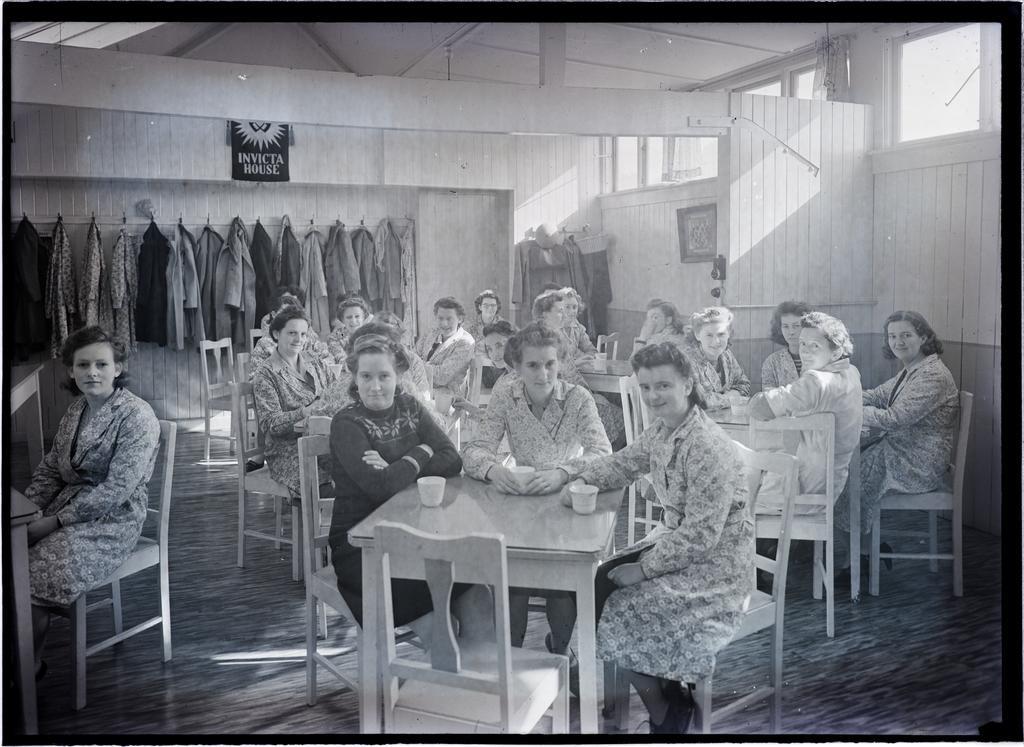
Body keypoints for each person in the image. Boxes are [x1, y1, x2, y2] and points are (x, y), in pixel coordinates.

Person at [563, 343, 753, 734]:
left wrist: (644, 569)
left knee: (619, 599)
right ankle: (669, 691)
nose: (653, 396)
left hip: (716, 566)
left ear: (688, 383)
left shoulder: (706, 445)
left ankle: (666, 709)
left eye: (663, 385)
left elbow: (701, 535)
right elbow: (623, 463)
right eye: (646, 387)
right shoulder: (665, 430)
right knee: (600, 580)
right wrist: (573, 475)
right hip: (680, 546)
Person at [327, 333, 492, 640]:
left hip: (420, 535)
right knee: (440, 626)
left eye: (384, 376)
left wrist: (398, 465)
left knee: (478, 592)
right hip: (364, 547)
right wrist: (421, 451)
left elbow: (451, 459)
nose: (375, 386)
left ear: (398, 375)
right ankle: (438, 682)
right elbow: (381, 487)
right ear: (354, 377)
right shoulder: (346, 424)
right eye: (366, 376)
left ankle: (475, 681)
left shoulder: (410, 406)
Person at [462, 322, 612, 660]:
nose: (543, 373)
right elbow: (475, 449)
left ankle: (563, 657)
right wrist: (492, 469)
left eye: (550, 364)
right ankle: (511, 665)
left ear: (560, 363)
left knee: (560, 587)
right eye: (532, 365)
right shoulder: (506, 394)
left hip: (567, 505)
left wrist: (563, 473)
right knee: (511, 580)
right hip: (520, 503)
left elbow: (603, 454)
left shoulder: (578, 398)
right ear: (516, 367)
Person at [24, 326, 162, 680]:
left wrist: (53, 523)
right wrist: (24, 513)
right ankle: (21, 658)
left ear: (118, 368)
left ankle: (26, 671)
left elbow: (116, 489)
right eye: (82, 365)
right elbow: (52, 468)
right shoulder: (76, 410)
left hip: (114, 522)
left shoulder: (137, 416)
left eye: (101, 364)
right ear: (71, 370)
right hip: (66, 510)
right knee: (10, 553)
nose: (92, 372)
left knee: (30, 571)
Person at [834, 311, 959, 562]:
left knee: (846, 481)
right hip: (901, 451)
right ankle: (866, 551)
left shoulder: (932, 374)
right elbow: (878, 395)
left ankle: (862, 557)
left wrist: (850, 409)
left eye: (906, 335)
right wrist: (839, 396)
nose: (898, 341)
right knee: (844, 474)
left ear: (923, 337)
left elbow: (894, 418)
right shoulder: (913, 369)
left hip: (918, 463)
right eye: (892, 336)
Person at [747, 312, 863, 510]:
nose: (805, 352)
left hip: (802, 492)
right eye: (802, 344)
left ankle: (767, 540)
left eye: (815, 346)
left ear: (835, 352)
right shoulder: (850, 372)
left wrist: (755, 402)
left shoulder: (817, 381)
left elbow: (759, 408)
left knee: (740, 485)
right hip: (830, 482)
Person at [252, 307, 340, 496]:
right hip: (287, 449)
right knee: (322, 484)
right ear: (276, 333)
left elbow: (335, 392)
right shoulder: (265, 374)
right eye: (292, 333)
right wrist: (305, 411)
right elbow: (270, 424)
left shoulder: (314, 361)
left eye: (303, 334)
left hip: (324, 439)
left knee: (356, 470)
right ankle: (315, 523)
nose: (299, 339)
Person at [533, 290, 625, 446]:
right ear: (544, 314)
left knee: (619, 415)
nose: (566, 315)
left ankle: (602, 454)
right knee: (613, 415)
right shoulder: (542, 339)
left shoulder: (556, 336)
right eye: (560, 311)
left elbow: (571, 372)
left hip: (573, 395)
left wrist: (588, 395)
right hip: (558, 402)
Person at [681, 306, 751, 410]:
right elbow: (700, 401)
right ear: (697, 335)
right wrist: (732, 398)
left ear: (729, 334)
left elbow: (745, 385)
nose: (716, 342)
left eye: (721, 334)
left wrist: (720, 399)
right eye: (709, 335)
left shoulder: (727, 355)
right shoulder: (687, 361)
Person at [250, 291, 331, 379]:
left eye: (295, 315)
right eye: (284, 314)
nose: (290, 320)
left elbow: (328, 359)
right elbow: (255, 378)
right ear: (274, 315)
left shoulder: (308, 341)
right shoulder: (264, 344)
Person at [414, 296, 475, 395]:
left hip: (447, 397)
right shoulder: (432, 333)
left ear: (460, 319)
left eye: (449, 319)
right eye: (440, 318)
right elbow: (413, 356)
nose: (444, 323)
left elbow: (442, 377)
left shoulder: (465, 342)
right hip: (422, 388)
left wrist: (418, 366)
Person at [761, 301, 815, 389]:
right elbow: (768, 396)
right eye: (786, 326)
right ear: (779, 328)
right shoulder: (772, 362)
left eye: (796, 326)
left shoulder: (819, 358)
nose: (791, 332)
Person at [326, 294, 372, 363]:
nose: (353, 321)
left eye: (357, 316)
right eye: (349, 317)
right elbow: (340, 357)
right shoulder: (340, 335)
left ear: (363, 318)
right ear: (342, 320)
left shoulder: (370, 334)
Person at [559, 286, 596, 358]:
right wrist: (580, 357)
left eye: (574, 307)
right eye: (567, 307)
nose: (572, 311)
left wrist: (585, 357)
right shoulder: (552, 329)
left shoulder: (578, 328)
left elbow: (592, 351)